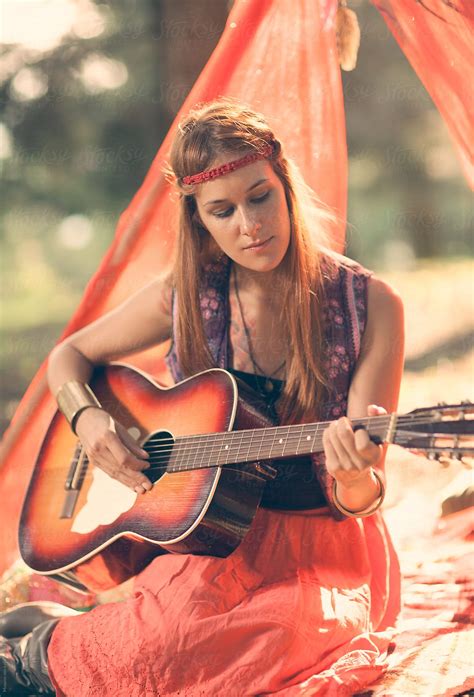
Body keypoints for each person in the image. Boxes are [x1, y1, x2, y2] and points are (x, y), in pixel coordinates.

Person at [1, 98, 404, 696]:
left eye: (260, 196)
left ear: (284, 183)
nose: (249, 225)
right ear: (200, 221)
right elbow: (70, 356)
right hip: (212, 536)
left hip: (318, 545)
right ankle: (35, 654)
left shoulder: (370, 305)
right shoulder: (189, 294)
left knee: (282, 635)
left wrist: (354, 475)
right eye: (223, 211)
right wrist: (90, 425)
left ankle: (50, 643)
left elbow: (362, 498)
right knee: (174, 638)